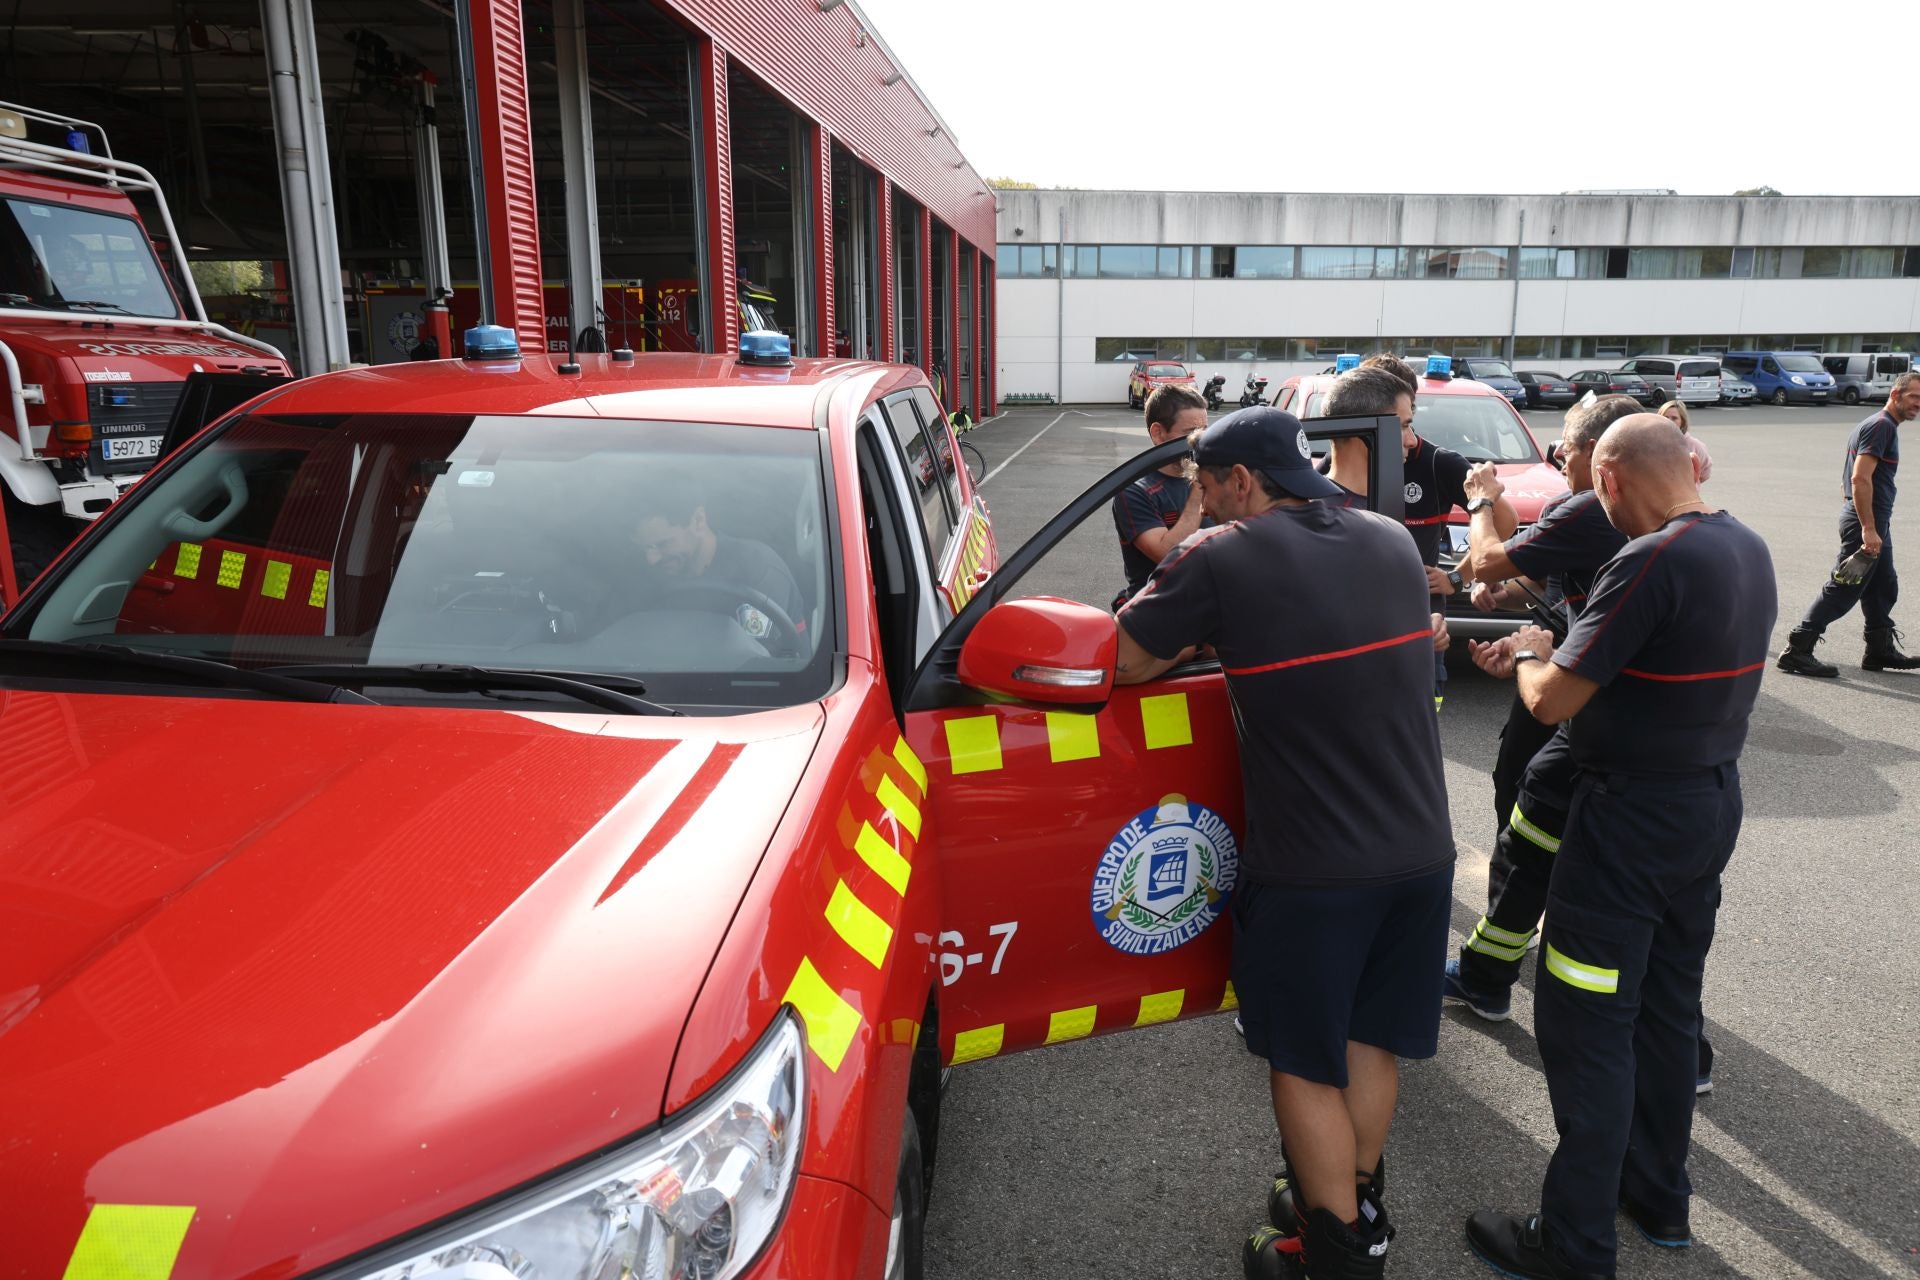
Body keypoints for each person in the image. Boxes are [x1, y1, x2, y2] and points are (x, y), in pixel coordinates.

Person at [1114, 406, 1454, 1279]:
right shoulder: (1385, 537)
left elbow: (1128, 662)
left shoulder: (1221, 555)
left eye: (1206, 484)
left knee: (1302, 1061)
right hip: (1423, 852)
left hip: (1313, 868)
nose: (1204, 499)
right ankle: (1353, 1195)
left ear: (1241, 481)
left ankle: (1335, 1250)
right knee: (1371, 1040)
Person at [1463, 415, 1776, 1280]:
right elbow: (1643, 674)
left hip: (1629, 823)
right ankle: (1657, 1198)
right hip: (1707, 808)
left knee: (1587, 1022)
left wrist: (1531, 654)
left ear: (1607, 481)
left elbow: (1555, 699)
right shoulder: (1744, 546)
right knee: (1668, 1010)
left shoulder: (1650, 560)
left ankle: (1572, 1245)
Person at [1445, 394, 1638, 1008]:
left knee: (1529, 830)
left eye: (1569, 444)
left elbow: (1486, 560)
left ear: (1598, 456)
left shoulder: (1590, 510)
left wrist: (1479, 497)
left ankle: (1494, 965)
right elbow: (1551, 582)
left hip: (1575, 699)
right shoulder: (1692, 535)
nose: (1557, 452)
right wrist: (1519, 614)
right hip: (1620, 711)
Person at [1321, 364, 1517, 707]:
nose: (1411, 440)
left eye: (1411, 421)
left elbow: (1507, 522)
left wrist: (1457, 577)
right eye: (1403, 424)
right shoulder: (1318, 496)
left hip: (1421, 635)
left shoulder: (1438, 462)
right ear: (1367, 426)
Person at [1778, 371, 1920, 676]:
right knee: (1845, 587)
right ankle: (1798, 649)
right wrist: (1868, 528)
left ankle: (1879, 650)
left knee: (1884, 584)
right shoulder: (1881, 426)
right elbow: (1859, 477)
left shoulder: (1878, 425)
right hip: (1865, 521)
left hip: (1874, 519)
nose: (1918, 404)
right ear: (1895, 395)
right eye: (1914, 397)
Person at [630, 477, 807, 646]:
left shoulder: (757, 569)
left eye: (663, 544)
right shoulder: (647, 579)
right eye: (645, 548)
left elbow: (764, 664)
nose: (651, 559)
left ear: (699, 520)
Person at [1111, 383, 1210, 605]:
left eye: (1205, 430)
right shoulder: (1134, 491)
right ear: (1158, 433)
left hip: (1209, 602)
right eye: (1191, 433)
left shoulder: (1216, 480)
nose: (1200, 441)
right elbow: (1168, 554)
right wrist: (1201, 484)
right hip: (1157, 608)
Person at [1657, 398, 1712, 482]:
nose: (1669, 421)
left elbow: (1705, 473)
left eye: (1674, 418)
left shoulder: (1695, 445)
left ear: (1682, 421)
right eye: (1665, 417)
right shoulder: (1652, 444)